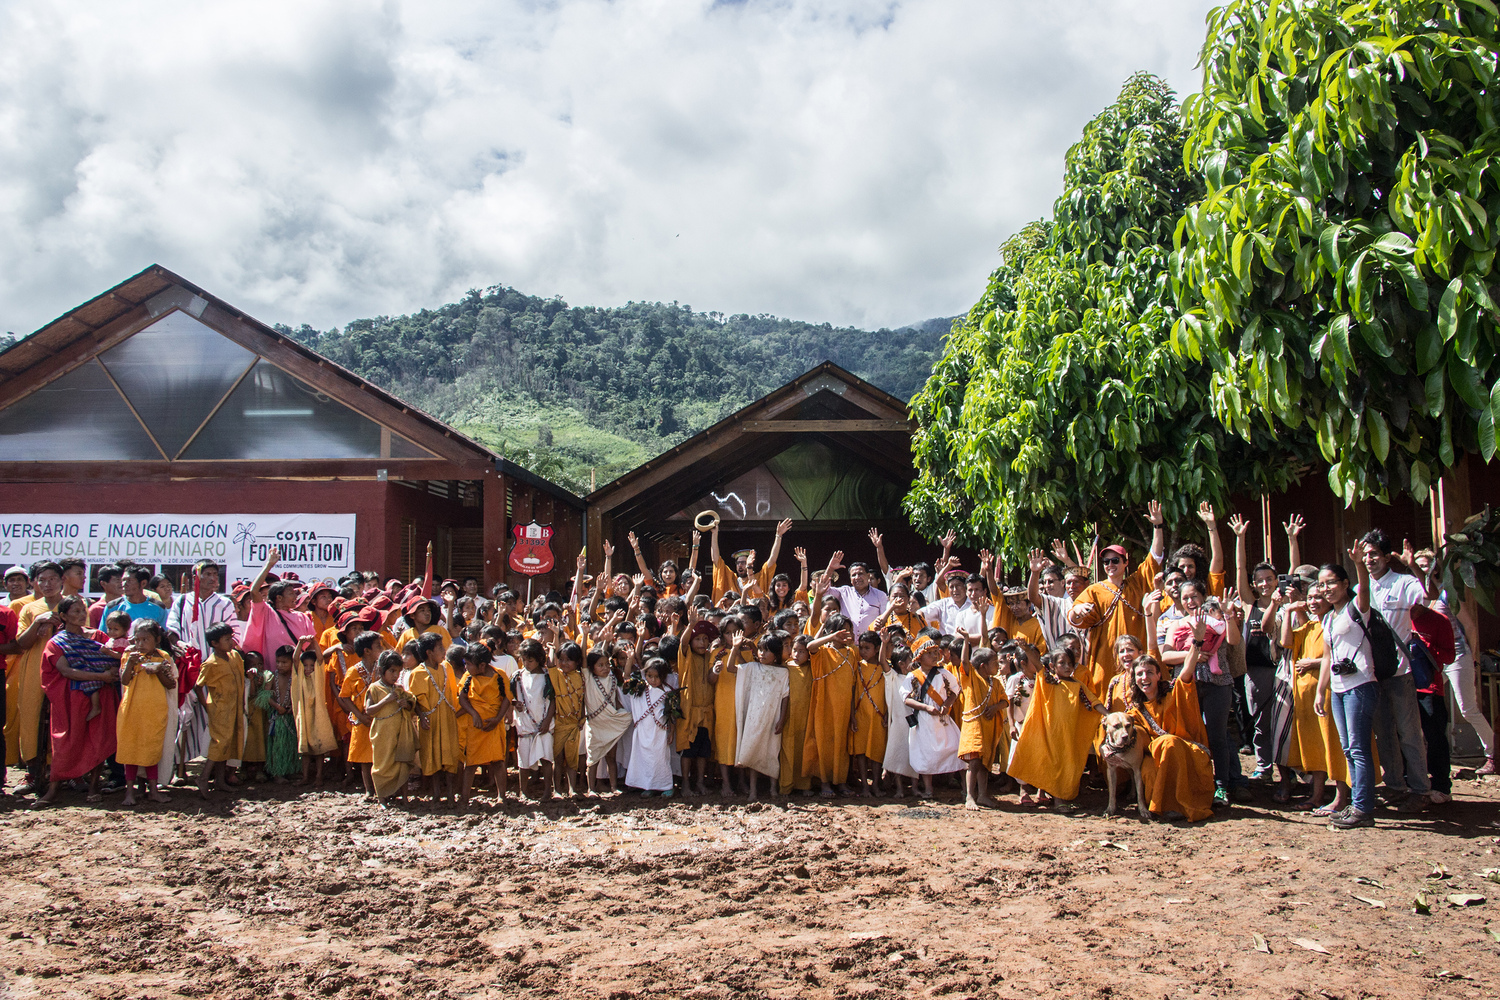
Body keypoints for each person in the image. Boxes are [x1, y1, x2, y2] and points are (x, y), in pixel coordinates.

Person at [1355, 529, 1433, 812]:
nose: (1368, 559)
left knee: (1409, 732)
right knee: (1384, 732)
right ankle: (1395, 786)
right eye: (1364, 555)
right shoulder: (1359, 589)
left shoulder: (1404, 582)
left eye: (1374, 554)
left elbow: (1429, 596)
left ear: (1387, 557)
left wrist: (1413, 565)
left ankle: (1421, 789)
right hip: (1372, 675)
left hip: (1400, 673)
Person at [1067, 500, 1167, 697]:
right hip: (1106, 660)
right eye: (1106, 562)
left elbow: (1155, 557)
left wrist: (1157, 527)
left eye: (1115, 560)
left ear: (1125, 563)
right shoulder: (1094, 590)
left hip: (1136, 658)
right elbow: (1074, 618)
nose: (1110, 565)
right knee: (1106, 700)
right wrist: (1077, 612)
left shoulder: (1137, 583)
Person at [34, 595, 120, 808]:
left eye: (84, 610)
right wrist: (101, 676)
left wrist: (109, 674)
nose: (82, 615)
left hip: (101, 695)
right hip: (70, 698)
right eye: (76, 611)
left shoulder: (98, 636)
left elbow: (113, 661)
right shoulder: (57, 642)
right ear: (63, 616)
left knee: (98, 739)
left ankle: (93, 786)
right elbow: (66, 671)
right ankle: (53, 790)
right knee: (64, 742)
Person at [1315, 552, 1379, 830]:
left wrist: (1358, 564)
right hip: (1339, 689)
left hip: (1361, 685)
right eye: (1321, 584)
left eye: (1331, 583)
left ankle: (1364, 808)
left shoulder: (1356, 608)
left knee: (1359, 748)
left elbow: (1364, 590)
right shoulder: (1328, 619)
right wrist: (1320, 691)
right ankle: (1356, 804)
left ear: (1344, 583)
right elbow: (1328, 658)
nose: (1326, 588)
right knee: (1348, 749)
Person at [1006, 647, 1106, 812]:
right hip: (1051, 733)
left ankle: (1060, 796)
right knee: (1053, 764)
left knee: (1066, 765)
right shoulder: (1049, 681)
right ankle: (1058, 801)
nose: (1067, 667)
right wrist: (1025, 649)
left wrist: (1108, 715)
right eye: (1062, 663)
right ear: (1052, 666)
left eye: (1070, 664)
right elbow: (1038, 666)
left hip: (1069, 734)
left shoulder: (1078, 685)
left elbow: (1093, 701)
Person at [7, 561, 65, 793]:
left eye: (52, 579)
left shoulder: (73, 604)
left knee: (62, 719)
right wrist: (39, 622)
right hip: (33, 670)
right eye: (42, 580)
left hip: (63, 670)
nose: (47, 584)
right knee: (30, 718)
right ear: (34, 583)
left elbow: (83, 636)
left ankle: (62, 773)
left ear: (61, 581)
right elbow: (21, 643)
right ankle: (33, 773)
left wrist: (59, 623)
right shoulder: (29, 609)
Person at [115, 619, 178, 807]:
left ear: (157, 640)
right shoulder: (129, 654)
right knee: (130, 748)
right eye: (137, 640)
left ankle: (154, 790)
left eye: (145, 640)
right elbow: (124, 681)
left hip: (155, 709)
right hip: (132, 709)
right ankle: (130, 792)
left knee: (152, 748)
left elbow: (171, 684)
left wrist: (159, 671)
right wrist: (129, 664)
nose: (140, 644)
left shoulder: (163, 656)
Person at [802, 615, 858, 796]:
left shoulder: (852, 653)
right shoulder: (823, 651)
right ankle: (824, 782)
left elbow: (852, 685)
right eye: (842, 630)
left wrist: (852, 714)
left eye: (849, 630)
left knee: (840, 745)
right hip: (824, 704)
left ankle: (840, 781)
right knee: (822, 742)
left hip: (843, 707)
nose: (846, 634)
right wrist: (831, 637)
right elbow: (810, 646)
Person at [733, 631, 792, 802]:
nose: (761, 654)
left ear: (776, 654)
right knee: (753, 750)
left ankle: (773, 788)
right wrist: (736, 647)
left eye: (766, 650)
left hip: (773, 716)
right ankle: (753, 790)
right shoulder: (753, 668)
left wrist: (781, 719)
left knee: (772, 751)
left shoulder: (783, 673)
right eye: (759, 649)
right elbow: (735, 666)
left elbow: (785, 696)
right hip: (754, 716)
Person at [905, 636, 962, 798]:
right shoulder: (913, 676)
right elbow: (906, 698)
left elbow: (955, 690)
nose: (935, 656)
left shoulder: (944, 673)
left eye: (936, 652)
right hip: (924, 721)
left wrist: (947, 704)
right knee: (925, 752)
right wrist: (925, 707)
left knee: (953, 746)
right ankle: (928, 788)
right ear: (919, 657)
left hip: (942, 720)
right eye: (930, 653)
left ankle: (962, 785)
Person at [408, 632, 460, 805]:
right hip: (430, 721)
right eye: (439, 648)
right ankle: (436, 793)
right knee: (433, 755)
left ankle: (451, 794)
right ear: (429, 652)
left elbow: (453, 693)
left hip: (447, 719)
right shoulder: (418, 673)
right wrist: (422, 718)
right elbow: (415, 700)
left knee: (450, 755)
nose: (444, 650)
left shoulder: (447, 668)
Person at [457, 642, 509, 810]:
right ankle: (465, 797)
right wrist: (474, 713)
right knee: (471, 763)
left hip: (494, 726)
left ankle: (502, 796)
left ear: (482, 665)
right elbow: (462, 698)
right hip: (476, 727)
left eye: (469, 664)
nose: (467, 667)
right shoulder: (468, 677)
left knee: (498, 762)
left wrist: (497, 719)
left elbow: (507, 700)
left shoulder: (499, 676)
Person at [195, 622, 246, 797]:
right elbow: (198, 686)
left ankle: (220, 781)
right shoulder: (211, 664)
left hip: (235, 707)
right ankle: (203, 777)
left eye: (231, 638)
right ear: (214, 643)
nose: (231, 642)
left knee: (229, 743)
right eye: (226, 639)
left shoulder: (234, 657)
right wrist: (207, 705)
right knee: (220, 743)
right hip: (220, 709)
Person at [956, 642, 1005, 811]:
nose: (998, 666)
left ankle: (983, 795)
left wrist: (995, 707)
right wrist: (966, 639)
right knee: (974, 763)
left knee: (986, 764)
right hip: (974, 727)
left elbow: (1005, 701)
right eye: (995, 663)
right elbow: (964, 662)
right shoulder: (972, 679)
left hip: (989, 728)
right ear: (983, 666)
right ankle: (970, 796)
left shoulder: (996, 683)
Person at [365, 651, 416, 807]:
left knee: (402, 764)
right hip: (382, 733)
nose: (395, 675)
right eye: (392, 671)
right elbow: (369, 710)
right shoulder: (374, 688)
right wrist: (386, 701)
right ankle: (382, 798)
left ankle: (405, 798)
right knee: (383, 764)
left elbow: (411, 704)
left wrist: (406, 704)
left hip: (399, 732)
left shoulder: (399, 689)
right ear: (382, 671)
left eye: (398, 672)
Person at [339, 631, 384, 798]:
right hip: (362, 719)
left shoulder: (382, 668)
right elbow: (344, 697)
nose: (381, 649)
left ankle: (381, 788)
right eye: (378, 646)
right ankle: (368, 790)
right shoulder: (354, 671)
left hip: (379, 717)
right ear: (367, 651)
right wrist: (358, 715)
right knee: (365, 758)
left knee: (380, 754)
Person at [676, 617, 718, 796]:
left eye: (705, 639)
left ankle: (700, 782)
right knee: (688, 750)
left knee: (703, 752)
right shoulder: (687, 656)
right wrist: (691, 625)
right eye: (698, 639)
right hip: (689, 712)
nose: (702, 643)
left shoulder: (710, 657)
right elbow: (682, 642)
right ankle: (686, 784)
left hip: (706, 712)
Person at [625, 656, 677, 797]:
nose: (653, 680)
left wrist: (671, 732)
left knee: (660, 759)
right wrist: (630, 660)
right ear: (644, 674)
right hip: (642, 731)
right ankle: (648, 785)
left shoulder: (667, 692)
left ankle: (666, 785)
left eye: (656, 677)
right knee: (644, 758)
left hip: (659, 732)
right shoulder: (640, 689)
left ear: (664, 677)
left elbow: (671, 714)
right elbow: (626, 679)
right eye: (649, 676)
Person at [583, 646, 632, 795]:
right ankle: (591, 789)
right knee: (593, 760)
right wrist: (584, 635)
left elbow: (616, 700)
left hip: (610, 722)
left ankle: (613, 786)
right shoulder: (589, 679)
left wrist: (621, 713)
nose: (605, 668)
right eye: (600, 665)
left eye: (607, 664)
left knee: (611, 757)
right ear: (592, 667)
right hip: (595, 724)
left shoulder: (612, 678)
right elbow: (584, 661)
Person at [166, 560, 236, 660]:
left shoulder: (225, 604)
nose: (213, 578)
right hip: (189, 663)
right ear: (196, 577)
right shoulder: (182, 601)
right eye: (207, 574)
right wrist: (179, 643)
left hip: (217, 664)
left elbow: (234, 634)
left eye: (215, 574)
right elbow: (171, 630)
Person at [512, 638, 556, 800]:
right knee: (523, 760)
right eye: (523, 660)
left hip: (544, 723)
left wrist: (547, 720)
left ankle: (547, 791)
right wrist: (515, 704)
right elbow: (512, 697)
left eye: (530, 660)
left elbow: (553, 701)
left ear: (538, 659)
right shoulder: (518, 676)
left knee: (546, 759)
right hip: (525, 723)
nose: (526, 664)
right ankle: (523, 791)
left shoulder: (547, 676)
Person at [847, 630, 887, 798]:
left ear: (877, 649)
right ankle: (864, 786)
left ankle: (876, 785)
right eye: (861, 647)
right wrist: (852, 716)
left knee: (877, 753)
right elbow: (852, 691)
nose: (863, 651)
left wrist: (887, 714)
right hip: (861, 714)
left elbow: (888, 694)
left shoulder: (884, 667)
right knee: (861, 752)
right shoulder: (857, 667)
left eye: (867, 648)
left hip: (878, 716)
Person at [293, 644, 339, 787]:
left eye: (311, 666)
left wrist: (313, 640)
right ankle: (305, 777)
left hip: (318, 716)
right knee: (305, 751)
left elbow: (320, 659)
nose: (308, 669)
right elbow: (295, 660)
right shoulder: (299, 676)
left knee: (319, 750)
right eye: (305, 666)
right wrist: (300, 644)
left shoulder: (318, 675)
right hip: (304, 716)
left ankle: (319, 776)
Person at [548, 641, 586, 797]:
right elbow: (550, 664)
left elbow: (582, 700)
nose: (564, 663)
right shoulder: (557, 675)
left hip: (574, 723)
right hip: (559, 723)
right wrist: (552, 648)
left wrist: (582, 718)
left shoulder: (580, 677)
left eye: (568, 660)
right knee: (558, 759)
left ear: (577, 662)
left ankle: (572, 789)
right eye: (561, 660)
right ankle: (556, 789)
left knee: (572, 759)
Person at [266, 646, 301, 782]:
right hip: (277, 718)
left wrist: (293, 706)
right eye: (278, 662)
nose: (280, 665)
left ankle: (290, 769)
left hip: (291, 716)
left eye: (284, 662)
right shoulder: (272, 677)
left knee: (291, 745)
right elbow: (266, 695)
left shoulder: (296, 676)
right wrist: (276, 706)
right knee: (277, 746)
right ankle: (277, 772)